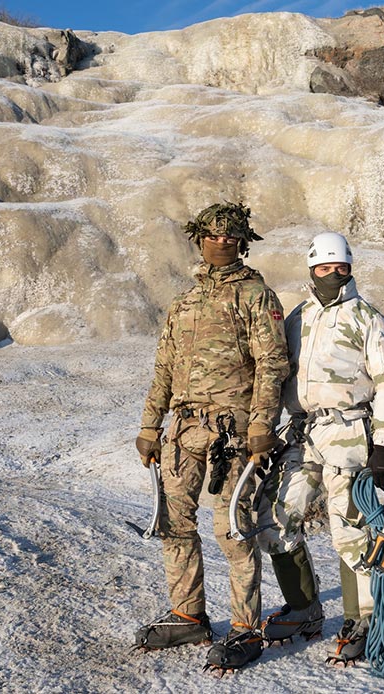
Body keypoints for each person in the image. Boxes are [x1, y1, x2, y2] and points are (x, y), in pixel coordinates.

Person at [133, 201, 289, 673]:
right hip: (182, 429)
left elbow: (272, 364)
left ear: (243, 241)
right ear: (199, 238)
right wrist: (149, 425)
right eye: (212, 235)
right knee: (174, 523)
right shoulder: (184, 302)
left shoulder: (258, 297)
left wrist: (262, 424)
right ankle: (188, 614)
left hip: (233, 432)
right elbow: (164, 367)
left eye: (230, 236)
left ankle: (245, 628)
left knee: (232, 529)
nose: (220, 242)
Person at [255, 231, 384, 666]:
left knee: (350, 531)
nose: (332, 275)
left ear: (350, 268)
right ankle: (304, 609)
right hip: (302, 433)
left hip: (349, 434)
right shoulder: (298, 318)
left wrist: (383, 443)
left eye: (340, 268)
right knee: (277, 519)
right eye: (324, 268)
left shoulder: (369, 319)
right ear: (311, 270)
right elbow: (276, 372)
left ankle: (365, 619)